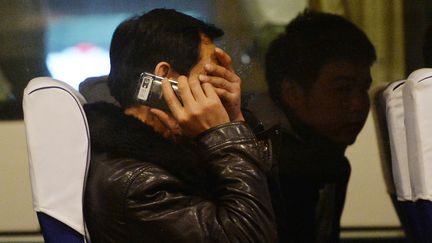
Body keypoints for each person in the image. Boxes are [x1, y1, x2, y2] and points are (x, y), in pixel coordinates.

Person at [83, 8, 277, 243]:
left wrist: (235, 119)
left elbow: (273, 213)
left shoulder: (171, 150)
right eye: (211, 75)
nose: (219, 89)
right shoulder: (139, 183)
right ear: (166, 79)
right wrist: (226, 135)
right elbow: (250, 236)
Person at [263, 10, 376, 243]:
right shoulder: (270, 164)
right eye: (342, 89)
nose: (358, 104)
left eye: (364, 88)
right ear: (292, 92)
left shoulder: (326, 159)